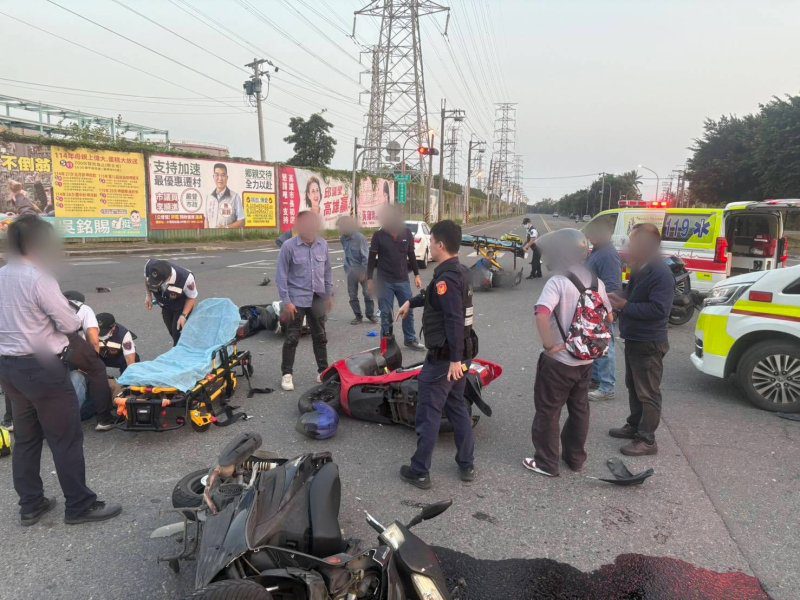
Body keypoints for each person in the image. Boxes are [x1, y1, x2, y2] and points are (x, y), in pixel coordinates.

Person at [0, 215, 121, 526]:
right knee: (64, 438)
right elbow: (69, 323)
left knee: (26, 440)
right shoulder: (39, 278)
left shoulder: (1, 276)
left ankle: (30, 504)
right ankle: (79, 505)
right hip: (42, 369)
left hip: (9, 369)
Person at [523, 228, 613, 478]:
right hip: (586, 360)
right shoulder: (596, 281)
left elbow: (542, 313)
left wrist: (550, 344)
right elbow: (609, 315)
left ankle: (546, 462)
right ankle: (575, 459)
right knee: (580, 408)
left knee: (548, 410)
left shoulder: (559, 281)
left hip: (559, 361)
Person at [396, 220, 478, 489]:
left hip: (447, 359)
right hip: (461, 355)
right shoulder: (458, 272)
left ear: (440, 245)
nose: (429, 245)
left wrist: (454, 359)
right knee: (456, 406)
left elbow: (454, 318)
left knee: (428, 413)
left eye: (431, 241)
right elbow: (432, 296)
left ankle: (419, 471)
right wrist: (411, 301)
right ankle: (466, 464)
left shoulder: (447, 279)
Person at [607, 223, 672, 456]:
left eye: (634, 241)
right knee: (633, 386)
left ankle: (647, 439)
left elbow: (658, 310)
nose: (629, 246)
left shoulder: (660, 272)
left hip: (649, 341)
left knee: (648, 392)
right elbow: (631, 293)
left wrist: (625, 305)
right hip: (634, 338)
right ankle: (634, 425)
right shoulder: (641, 267)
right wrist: (617, 297)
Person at [276, 210, 333, 391]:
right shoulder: (288, 246)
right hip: (296, 299)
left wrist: (328, 295)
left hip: (317, 297)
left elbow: (327, 272)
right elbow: (281, 276)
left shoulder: (323, 245)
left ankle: (323, 371)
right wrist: (287, 301)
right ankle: (287, 374)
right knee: (292, 337)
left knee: (320, 337)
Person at [367, 205, 425, 350]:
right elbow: (371, 258)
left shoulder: (406, 233)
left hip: (402, 280)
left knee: (408, 309)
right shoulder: (378, 236)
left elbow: (411, 255)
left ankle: (410, 339)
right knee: (386, 313)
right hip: (384, 280)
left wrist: (417, 275)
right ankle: (387, 340)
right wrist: (369, 279)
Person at [62, 291, 116, 431]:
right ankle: (104, 419)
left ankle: (14, 420)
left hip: (45, 344)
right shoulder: (83, 308)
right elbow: (92, 336)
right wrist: (94, 359)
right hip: (70, 341)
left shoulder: (52, 304)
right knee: (97, 371)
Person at [585, 221, 623, 401]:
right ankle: (595, 379)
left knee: (606, 347)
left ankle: (607, 387)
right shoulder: (598, 251)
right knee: (594, 345)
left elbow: (613, 286)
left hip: (602, 308)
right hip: (592, 308)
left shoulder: (607, 255)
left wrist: (611, 311)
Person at [144, 259, 198, 346]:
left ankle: (181, 354)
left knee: (178, 333)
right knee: (172, 331)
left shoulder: (187, 279)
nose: (155, 285)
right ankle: (184, 345)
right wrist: (148, 295)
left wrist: (183, 316)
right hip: (165, 304)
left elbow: (191, 298)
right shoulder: (149, 266)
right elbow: (147, 281)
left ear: (168, 277)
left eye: (157, 283)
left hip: (181, 306)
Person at [337, 215, 377, 325]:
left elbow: (366, 256)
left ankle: (370, 315)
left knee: (367, 293)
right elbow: (347, 254)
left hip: (362, 270)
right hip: (350, 271)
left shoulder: (360, 238)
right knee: (352, 295)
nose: (341, 229)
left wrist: (364, 272)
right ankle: (358, 316)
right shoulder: (342, 239)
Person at [205, 163, 244, 229]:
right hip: (211, 238)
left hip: (228, 238)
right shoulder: (209, 197)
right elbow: (206, 219)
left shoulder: (235, 197)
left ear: (227, 177)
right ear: (213, 177)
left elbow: (242, 221)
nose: (220, 178)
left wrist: (226, 228)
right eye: (217, 175)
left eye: (223, 175)